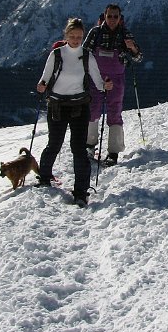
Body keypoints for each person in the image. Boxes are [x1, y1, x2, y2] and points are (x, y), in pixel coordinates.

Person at [36, 17, 112, 206]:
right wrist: (41, 84)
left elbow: (97, 80)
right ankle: (44, 177)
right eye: (72, 36)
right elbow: (45, 76)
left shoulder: (87, 56)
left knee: (78, 148)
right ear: (66, 35)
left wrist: (105, 85)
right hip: (57, 105)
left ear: (83, 36)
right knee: (54, 142)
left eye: (79, 36)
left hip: (79, 106)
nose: (76, 39)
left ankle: (80, 191)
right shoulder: (57, 54)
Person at [83, 4, 143, 166]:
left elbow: (138, 58)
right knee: (92, 109)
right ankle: (89, 145)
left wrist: (133, 48)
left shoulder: (125, 34)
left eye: (115, 16)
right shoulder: (95, 33)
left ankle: (113, 151)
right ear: (105, 15)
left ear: (120, 18)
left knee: (114, 112)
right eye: (110, 16)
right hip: (95, 77)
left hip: (116, 78)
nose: (112, 19)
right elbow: (83, 54)